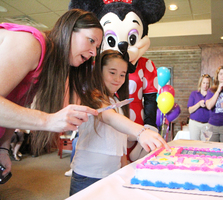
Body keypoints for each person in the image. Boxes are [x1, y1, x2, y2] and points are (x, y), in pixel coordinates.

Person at [0, 9, 103, 177]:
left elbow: (15, 104)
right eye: (91, 41)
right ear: (69, 30)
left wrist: (3, 148)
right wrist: (48, 120)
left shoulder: (47, 67)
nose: (94, 52)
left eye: (97, 47)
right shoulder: (31, 44)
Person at [69, 50, 170, 196]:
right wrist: (141, 132)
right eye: (112, 72)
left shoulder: (116, 102)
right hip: (88, 174)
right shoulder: (91, 97)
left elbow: (120, 140)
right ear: (99, 71)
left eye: (122, 74)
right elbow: (109, 117)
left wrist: (125, 169)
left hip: (111, 174)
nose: (118, 79)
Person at [187, 74, 211, 140]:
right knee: (194, 145)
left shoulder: (212, 95)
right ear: (200, 83)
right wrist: (199, 104)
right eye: (204, 83)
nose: (205, 85)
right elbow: (190, 110)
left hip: (207, 124)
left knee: (206, 145)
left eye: (207, 83)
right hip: (195, 124)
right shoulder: (194, 94)